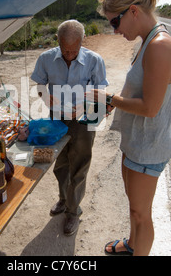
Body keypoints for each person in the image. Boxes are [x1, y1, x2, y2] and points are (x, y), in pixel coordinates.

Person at [87, 0, 171, 256]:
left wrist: (110, 99)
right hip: (137, 140)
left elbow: (151, 108)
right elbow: (141, 90)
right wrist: (114, 103)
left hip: (149, 145)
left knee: (141, 214)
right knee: (134, 208)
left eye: (115, 21)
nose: (114, 30)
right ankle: (132, 245)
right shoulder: (148, 40)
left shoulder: (159, 46)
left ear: (134, 11)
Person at [31, 19, 109, 236]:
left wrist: (84, 106)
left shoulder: (94, 60)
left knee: (79, 166)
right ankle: (64, 200)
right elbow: (39, 85)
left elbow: (101, 93)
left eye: (74, 50)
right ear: (57, 42)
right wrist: (46, 97)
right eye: (65, 50)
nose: (69, 55)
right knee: (60, 165)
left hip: (84, 120)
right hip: (57, 119)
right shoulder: (46, 58)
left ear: (82, 42)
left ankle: (73, 213)